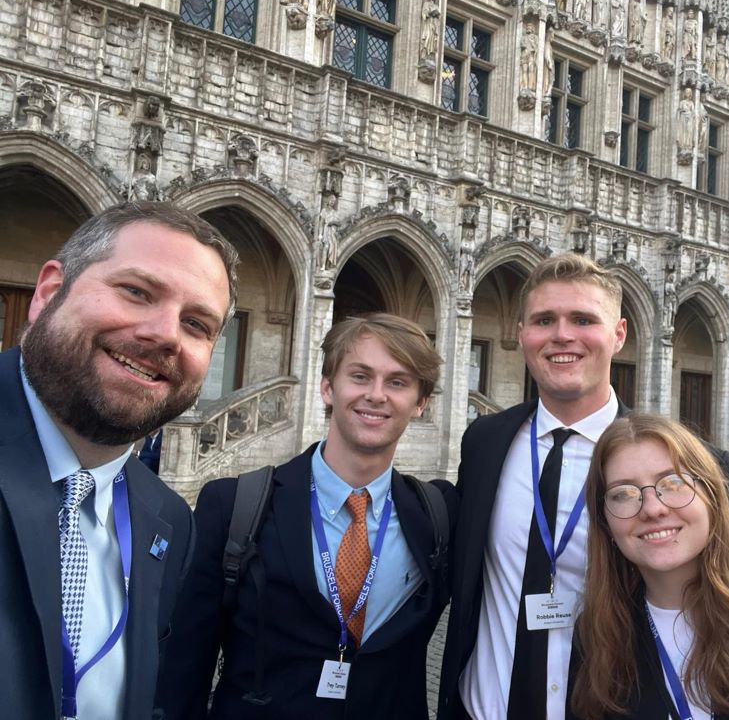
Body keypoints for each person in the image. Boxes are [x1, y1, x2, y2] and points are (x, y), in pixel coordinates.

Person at [0, 201, 238, 720]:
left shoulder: (169, 521)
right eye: (137, 292)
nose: (165, 334)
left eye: (196, 323)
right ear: (47, 291)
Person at [156, 313, 457, 719]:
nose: (376, 394)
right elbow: (184, 669)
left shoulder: (437, 514)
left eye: (398, 382)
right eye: (360, 376)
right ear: (328, 387)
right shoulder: (234, 506)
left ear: (420, 403)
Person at [438, 253, 628, 720]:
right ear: (522, 333)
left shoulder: (659, 459)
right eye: (544, 320)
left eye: (583, 319)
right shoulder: (484, 442)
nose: (562, 335)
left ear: (618, 334)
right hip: (478, 708)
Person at [569, 414, 729, 720]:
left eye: (673, 483)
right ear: (605, 520)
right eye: (624, 494)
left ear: (712, 496)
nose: (652, 509)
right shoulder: (598, 636)